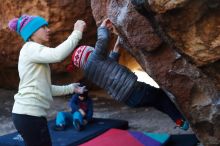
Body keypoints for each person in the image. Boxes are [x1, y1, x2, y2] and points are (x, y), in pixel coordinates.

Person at [68, 18, 189, 131]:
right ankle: (180, 121)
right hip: (134, 89)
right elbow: (103, 40)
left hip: (127, 99)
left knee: (157, 101)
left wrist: (117, 47)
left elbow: (109, 66)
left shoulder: (90, 72)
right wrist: (103, 26)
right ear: (88, 53)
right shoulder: (94, 58)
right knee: (162, 96)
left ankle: (178, 120)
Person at [8, 14, 87, 146]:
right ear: (32, 32)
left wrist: (71, 88)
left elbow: (45, 88)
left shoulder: (33, 51)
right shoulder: (30, 48)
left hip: (27, 116)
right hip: (29, 116)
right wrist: (77, 32)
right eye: (43, 27)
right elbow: (57, 55)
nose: (48, 30)